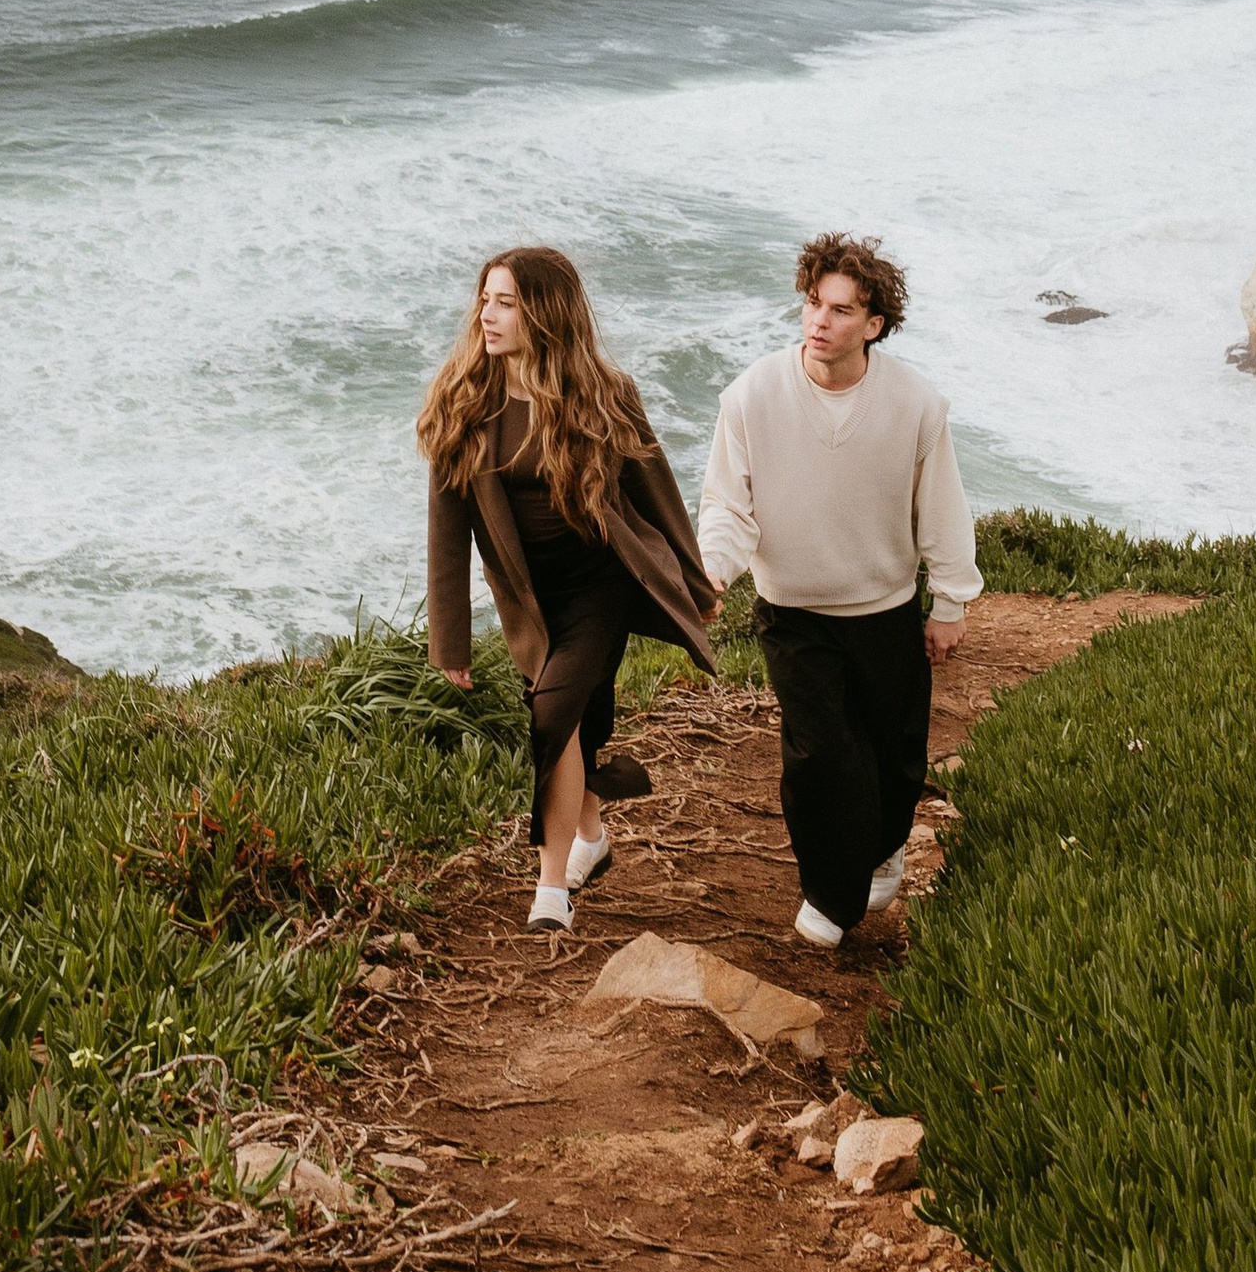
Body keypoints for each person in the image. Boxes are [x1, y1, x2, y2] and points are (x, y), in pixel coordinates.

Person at [420, 246, 717, 933]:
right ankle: (593, 832)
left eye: (506, 303)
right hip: (528, 598)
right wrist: (451, 642)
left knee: (554, 714)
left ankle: (551, 887)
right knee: (576, 725)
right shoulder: (463, 402)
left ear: (545, 314)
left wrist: (695, 582)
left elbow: (656, 491)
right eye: (485, 300)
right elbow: (446, 532)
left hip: (600, 582)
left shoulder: (605, 394)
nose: (487, 316)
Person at [697, 234, 980, 950]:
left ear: (875, 325)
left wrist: (950, 604)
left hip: (884, 610)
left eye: (842, 310)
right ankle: (829, 896)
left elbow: (941, 509)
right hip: (792, 613)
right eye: (813, 304)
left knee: (894, 756)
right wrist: (713, 571)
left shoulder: (916, 404)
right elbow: (729, 505)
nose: (820, 321)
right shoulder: (752, 394)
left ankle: (885, 847)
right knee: (819, 753)